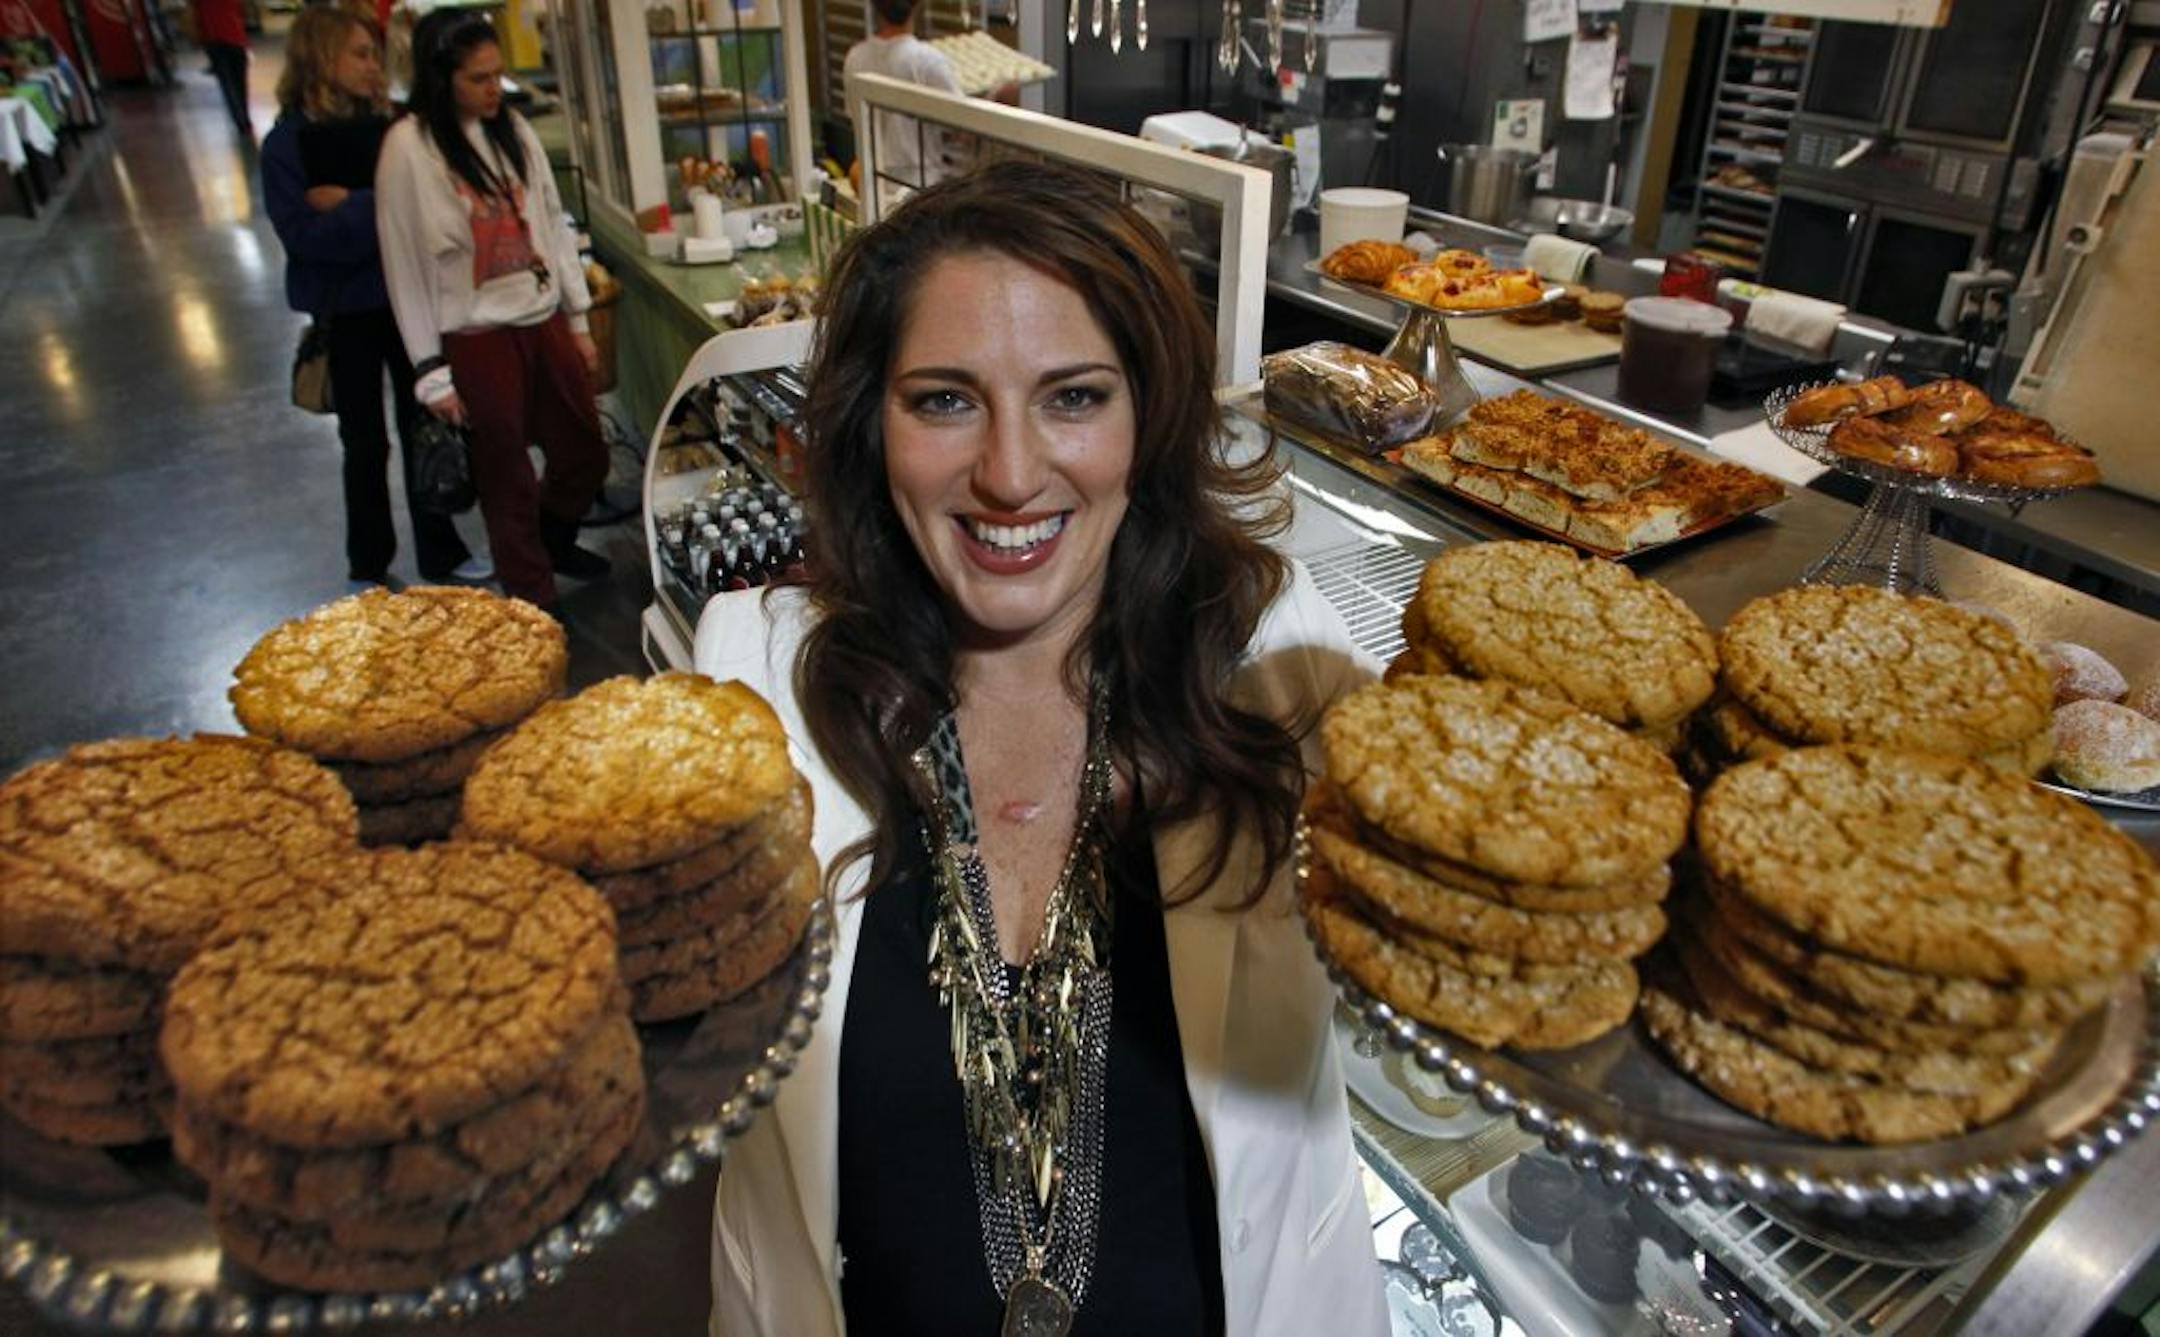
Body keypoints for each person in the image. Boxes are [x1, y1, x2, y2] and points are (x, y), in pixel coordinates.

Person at [694, 159, 1388, 1336]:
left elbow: (1421, 999)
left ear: (1149, 416)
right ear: (873, 421)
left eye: (1073, 396)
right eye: (945, 400)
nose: (1011, 474)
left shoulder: (1277, 664)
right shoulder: (748, 681)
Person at [375, 7, 609, 609]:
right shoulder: (408, 147)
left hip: (540, 315)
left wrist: (578, 318)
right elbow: (403, 263)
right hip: (473, 332)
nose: (492, 90)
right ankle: (532, 600)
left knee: (585, 449)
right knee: (504, 473)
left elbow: (552, 225)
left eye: (496, 75)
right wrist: (429, 370)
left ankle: (553, 539)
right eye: (477, 78)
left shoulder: (513, 129)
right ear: (441, 76)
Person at [261, 6, 482, 589]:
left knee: (429, 427)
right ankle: (369, 560)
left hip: (409, 302)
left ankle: (441, 549)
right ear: (320, 57)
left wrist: (352, 202)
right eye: (358, 54)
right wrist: (382, 208)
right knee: (362, 441)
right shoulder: (287, 144)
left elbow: (426, 213)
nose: (371, 66)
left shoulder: (395, 128)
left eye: (374, 54)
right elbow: (305, 238)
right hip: (346, 310)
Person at [194, 0, 251, 139]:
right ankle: (244, 118)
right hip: (236, 38)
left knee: (228, 83)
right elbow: (242, 10)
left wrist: (199, 38)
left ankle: (241, 120)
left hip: (215, 40)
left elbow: (195, 17)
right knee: (240, 82)